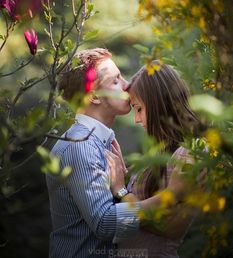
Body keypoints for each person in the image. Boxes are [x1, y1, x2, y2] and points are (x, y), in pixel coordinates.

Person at [46, 50, 187, 258]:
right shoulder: (80, 145)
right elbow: (105, 224)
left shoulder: (101, 142)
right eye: (115, 81)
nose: (127, 85)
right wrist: (171, 196)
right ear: (93, 96)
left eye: (121, 76)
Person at [106, 60, 201, 258]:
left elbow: (170, 228)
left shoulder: (190, 154)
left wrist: (121, 191)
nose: (136, 119)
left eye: (139, 109)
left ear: (159, 103)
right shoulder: (160, 152)